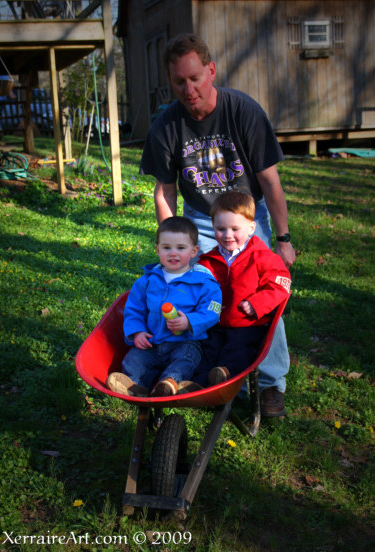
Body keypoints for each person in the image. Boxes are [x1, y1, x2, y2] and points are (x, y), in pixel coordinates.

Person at [140, 33, 295, 416]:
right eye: (180, 81)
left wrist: (283, 238)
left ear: (210, 71)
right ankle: (192, 368)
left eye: (195, 78)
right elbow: (164, 192)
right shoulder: (167, 126)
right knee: (185, 291)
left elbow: (270, 181)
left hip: (246, 218)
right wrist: (173, 245)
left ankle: (272, 382)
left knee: (261, 295)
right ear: (171, 82)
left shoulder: (243, 111)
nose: (189, 89)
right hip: (199, 219)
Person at [106, 216, 222, 397]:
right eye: (167, 248)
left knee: (184, 361)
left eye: (181, 248)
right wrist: (137, 332)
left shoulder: (203, 283)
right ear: (157, 249)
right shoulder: (147, 281)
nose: (173, 253)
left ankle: (170, 384)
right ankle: (134, 386)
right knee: (134, 359)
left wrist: (189, 321)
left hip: (185, 342)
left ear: (194, 251)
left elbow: (212, 311)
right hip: (152, 341)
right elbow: (134, 309)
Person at [196, 192, 291, 412]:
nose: (227, 235)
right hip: (217, 325)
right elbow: (198, 287)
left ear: (251, 228)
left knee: (236, 353)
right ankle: (198, 386)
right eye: (221, 229)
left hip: (248, 326)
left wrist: (257, 303)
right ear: (213, 227)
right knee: (208, 351)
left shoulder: (262, 256)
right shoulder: (208, 260)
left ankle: (227, 384)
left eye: (235, 229)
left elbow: (281, 283)